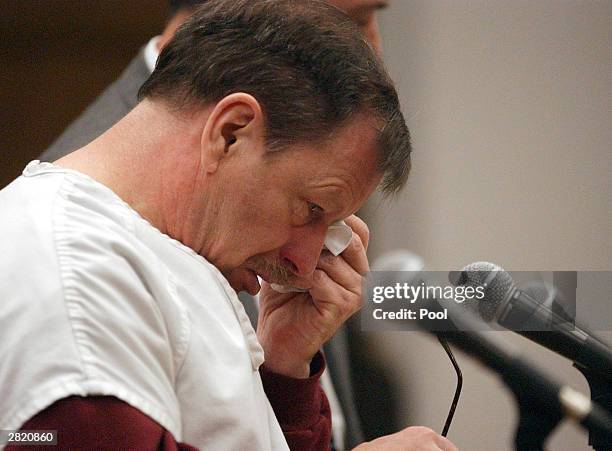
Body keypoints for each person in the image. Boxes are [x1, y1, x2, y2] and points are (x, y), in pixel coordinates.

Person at [1, 1, 458, 450]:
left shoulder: (157, 253)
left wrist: (282, 373)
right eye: (311, 209)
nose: (303, 268)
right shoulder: (74, 267)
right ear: (231, 132)